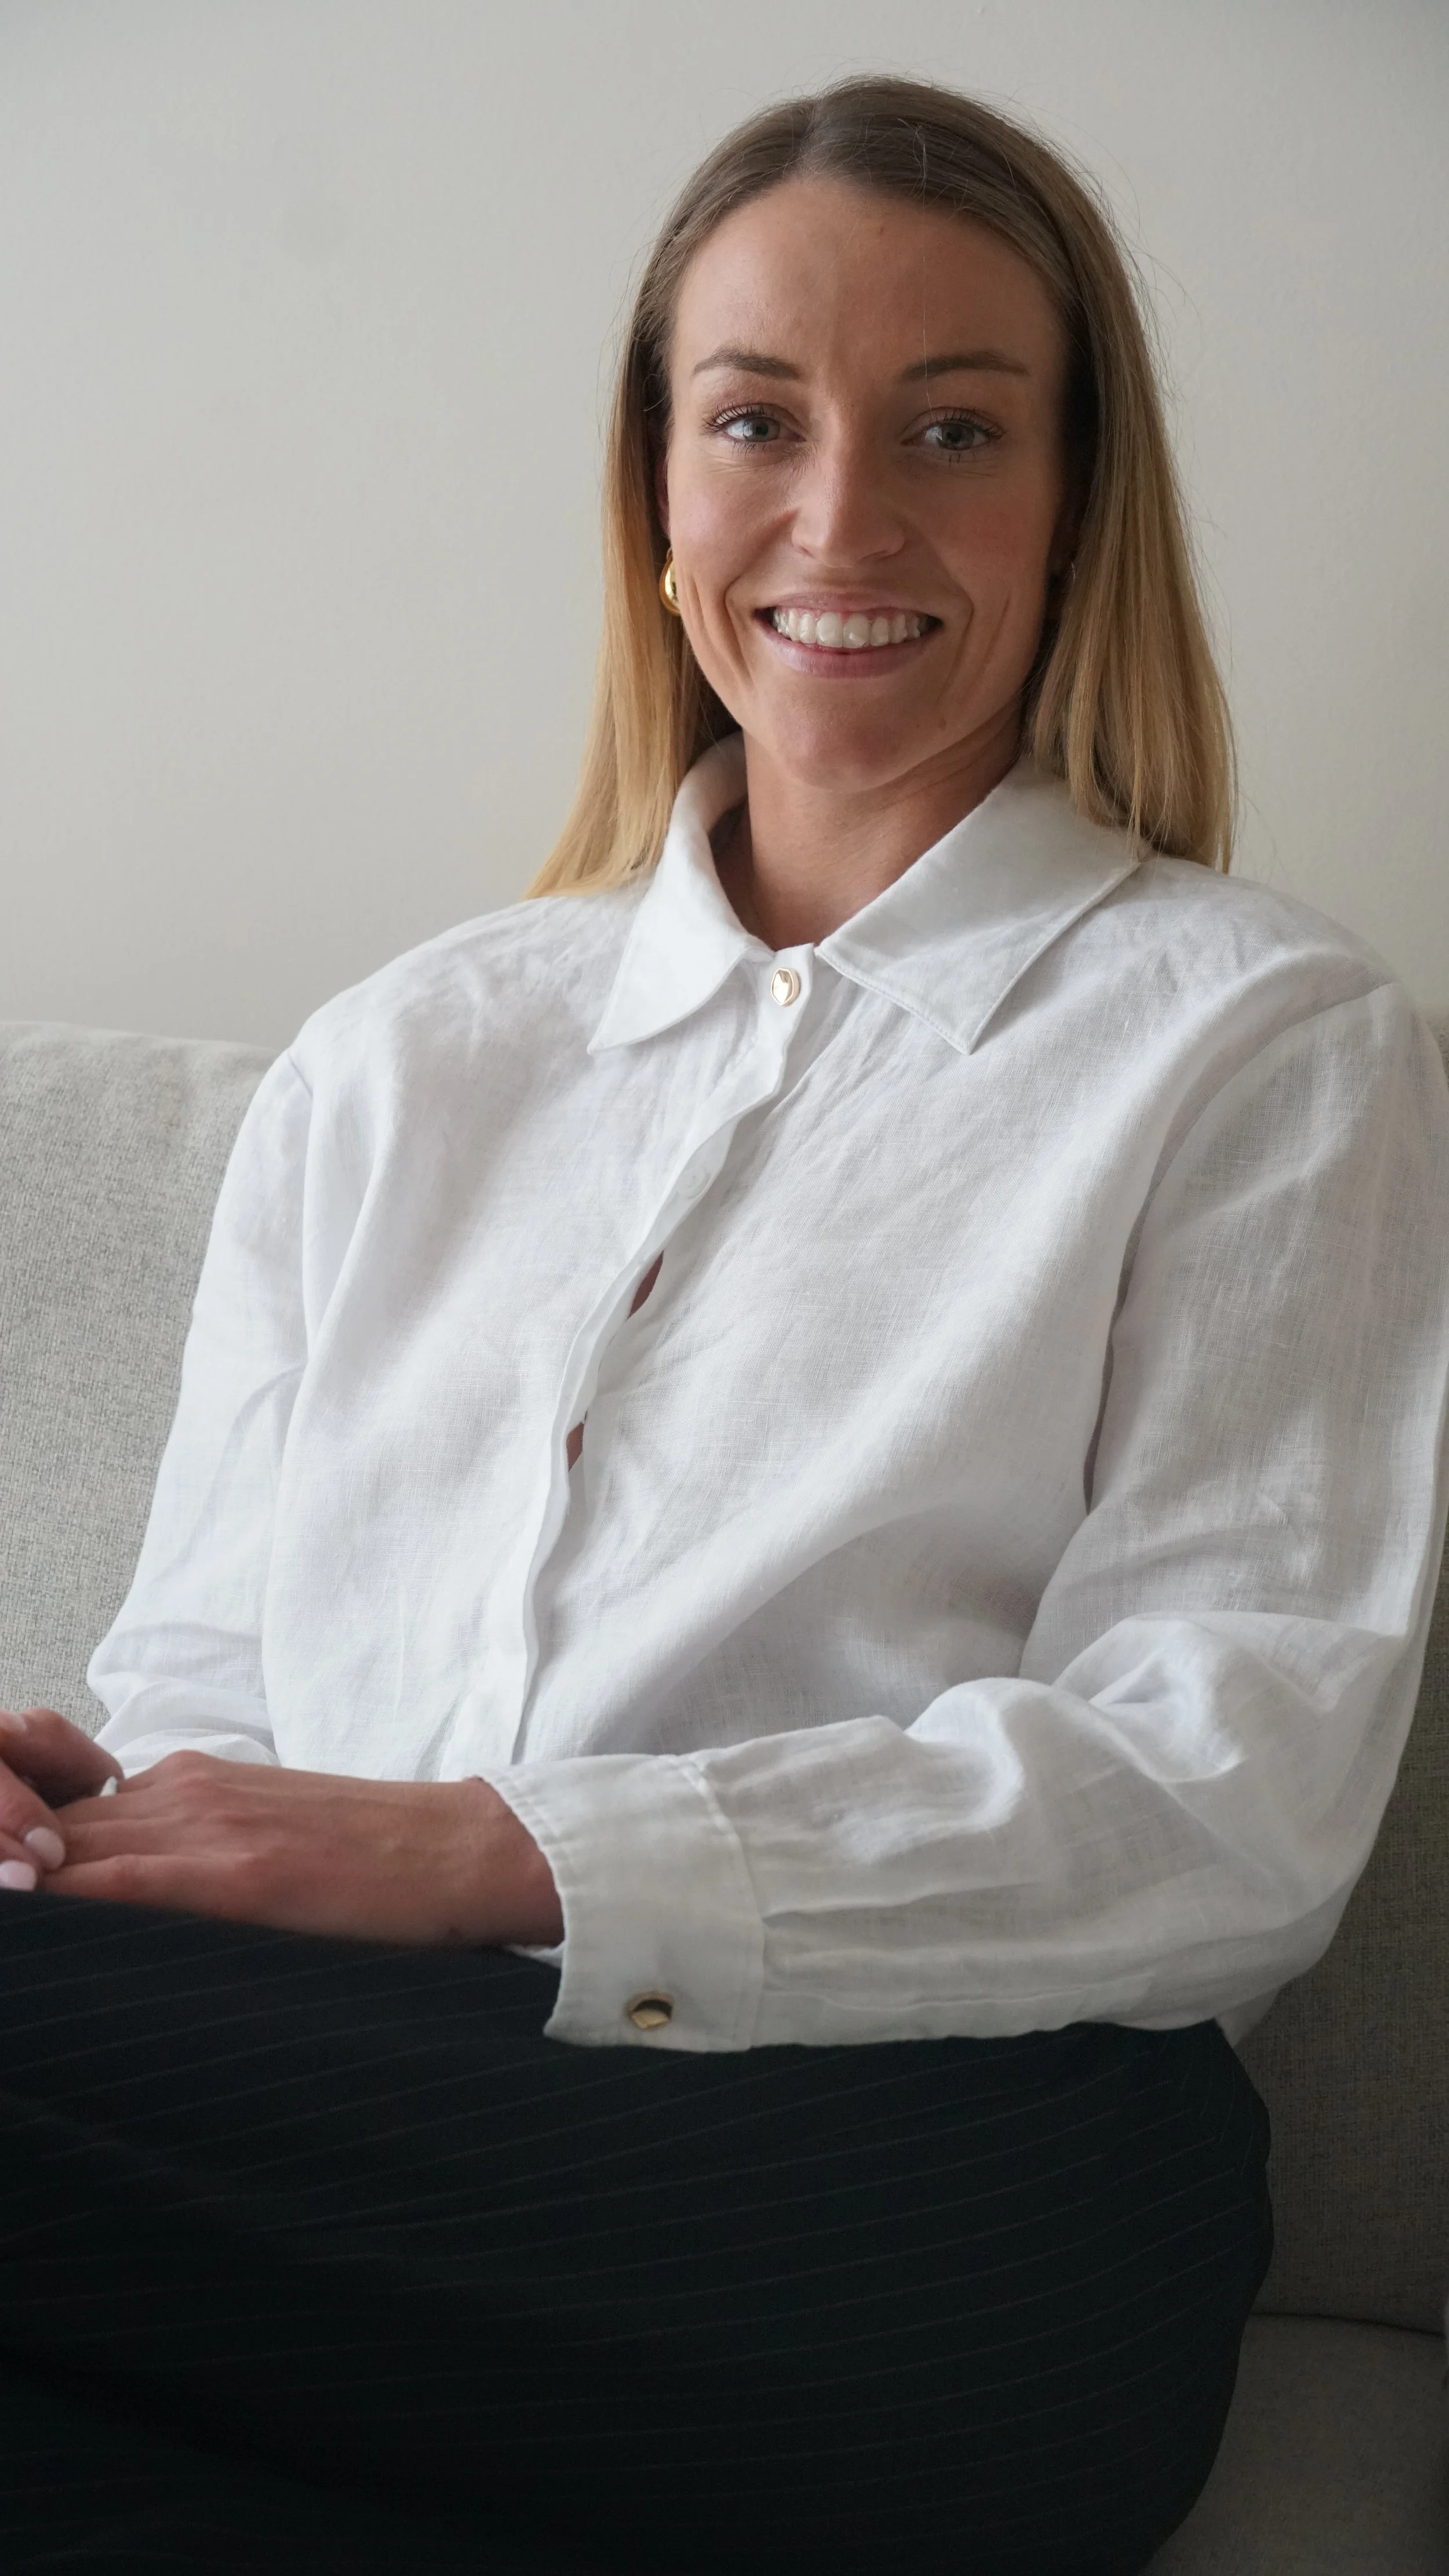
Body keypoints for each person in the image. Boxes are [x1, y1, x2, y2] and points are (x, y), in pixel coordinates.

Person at [2, 70, 1446, 2576]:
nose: (841, 520)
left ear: (1075, 499)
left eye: (955, 429)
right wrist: (97, 1832)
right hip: (319, 2145)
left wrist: (491, 1851)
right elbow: (215, 1691)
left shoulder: (1259, 1047)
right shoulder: (398, 1061)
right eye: (755, 420)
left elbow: (1222, 1798)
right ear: (654, 494)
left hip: (942, 2178)